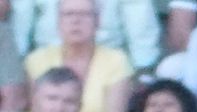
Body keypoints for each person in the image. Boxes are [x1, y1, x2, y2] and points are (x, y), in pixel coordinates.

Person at [23, 0, 132, 112]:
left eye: (84, 14)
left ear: (98, 21)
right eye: (68, 14)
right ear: (58, 21)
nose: (76, 21)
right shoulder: (36, 60)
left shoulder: (116, 61)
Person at [8, 0, 156, 76]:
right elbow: (22, 18)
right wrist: (16, 61)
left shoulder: (116, 62)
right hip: (46, 58)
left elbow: (140, 20)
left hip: (108, 59)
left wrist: (143, 68)